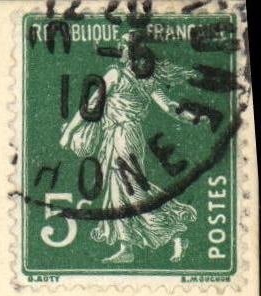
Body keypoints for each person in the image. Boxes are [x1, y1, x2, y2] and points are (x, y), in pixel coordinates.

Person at [58, 30, 201, 264]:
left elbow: (90, 107)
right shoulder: (144, 80)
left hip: (123, 136)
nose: (120, 49)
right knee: (119, 190)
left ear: (131, 53)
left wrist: (68, 132)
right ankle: (127, 247)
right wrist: (192, 118)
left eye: (123, 46)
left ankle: (174, 232)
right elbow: (170, 107)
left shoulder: (117, 74)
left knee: (132, 190)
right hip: (121, 136)